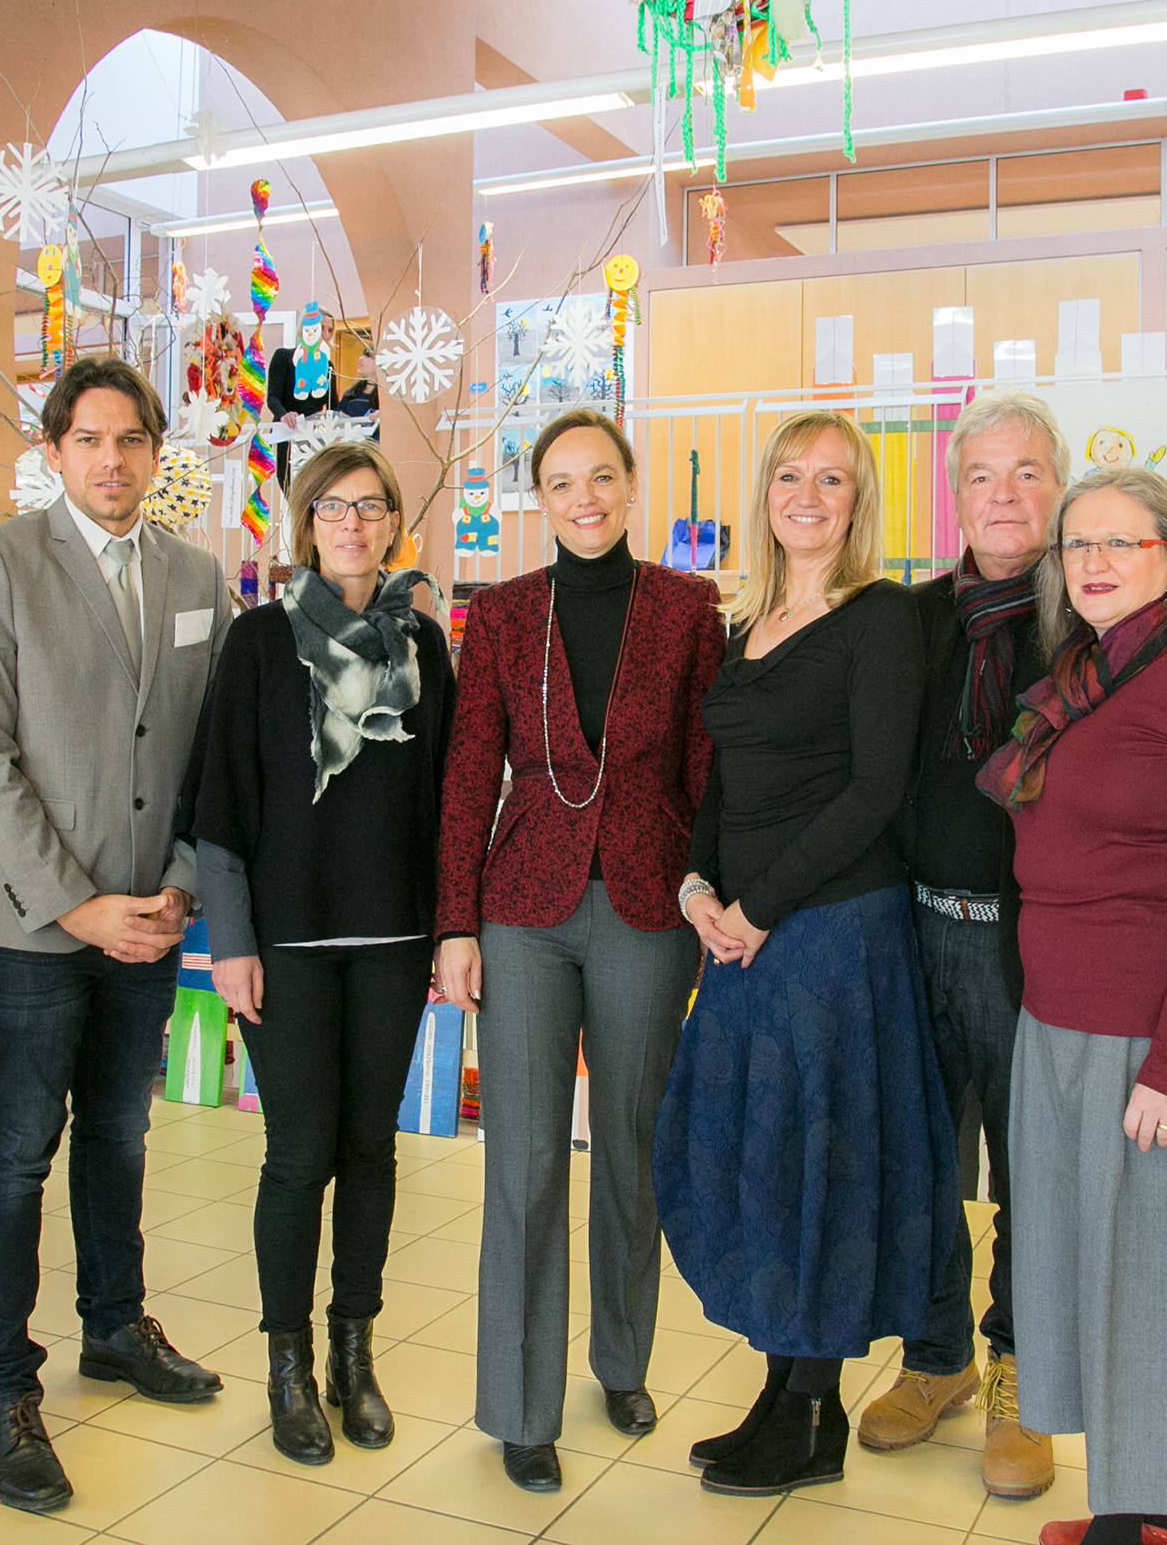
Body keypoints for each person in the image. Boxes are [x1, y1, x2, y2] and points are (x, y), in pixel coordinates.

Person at [0, 355, 234, 1513]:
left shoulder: (197, 571)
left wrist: (174, 887)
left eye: (132, 441)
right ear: (55, 451)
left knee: (117, 1130)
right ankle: (7, 1387)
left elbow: (211, 752)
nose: (113, 460)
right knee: (16, 1149)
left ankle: (114, 1324)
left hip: (150, 918)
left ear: (157, 455)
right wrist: (74, 902)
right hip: (32, 925)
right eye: (90, 440)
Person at [655, 409, 966, 1499]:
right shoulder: (747, 620)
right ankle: (784, 1394)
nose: (806, 494)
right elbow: (723, 776)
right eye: (790, 474)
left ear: (857, 502)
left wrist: (762, 906)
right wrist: (698, 886)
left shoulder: (877, 618)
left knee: (821, 1166)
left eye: (830, 479)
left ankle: (808, 1406)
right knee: (763, 1158)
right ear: (766, 492)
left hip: (831, 931)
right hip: (747, 932)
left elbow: (873, 788)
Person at [986, 468, 1167, 1545]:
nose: (1094, 561)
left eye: (1121, 541)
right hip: (1060, 1017)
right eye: (1076, 545)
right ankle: (1125, 1502)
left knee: (1158, 1279)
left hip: (1153, 1029)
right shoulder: (1088, 672)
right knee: (1089, 1269)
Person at [435, 409, 726, 1493]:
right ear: (536, 497)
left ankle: (621, 1359)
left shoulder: (688, 609)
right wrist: (454, 923)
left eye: (601, 476)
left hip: (650, 903)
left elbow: (707, 769)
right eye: (560, 482)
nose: (584, 498)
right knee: (518, 1158)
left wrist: (708, 890)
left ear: (630, 482)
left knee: (632, 1146)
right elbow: (470, 770)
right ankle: (518, 1403)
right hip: (524, 905)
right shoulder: (502, 612)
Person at [182, 441, 452, 1466]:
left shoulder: (421, 641)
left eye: (370, 507)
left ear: (391, 523)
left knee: (370, 1150)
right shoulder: (259, 642)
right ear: (307, 522)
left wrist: (448, 928)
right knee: (298, 1153)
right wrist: (232, 944)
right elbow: (219, 804)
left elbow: (447, 798)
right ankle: (287, 1361)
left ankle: (353, 1352)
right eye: (332, 507)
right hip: (286, 946)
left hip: (391, 939)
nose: (351, 524)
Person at [856, 390, 1063, 1501]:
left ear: (1057, 485)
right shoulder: (912, 617)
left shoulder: (1085, 613)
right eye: (981, 474)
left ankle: (1018, 1382)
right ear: (953, 492)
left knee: (1028, 1169)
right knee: (922, 1159)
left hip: (1036, 949)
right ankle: (933, 1357)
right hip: (917, 928)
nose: (1001, 494)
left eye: (1025, 471)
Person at [336, 349, 380, 419]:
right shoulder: (351, 394)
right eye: (363, 355)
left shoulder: (387, 397)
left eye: (367, 355)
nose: (360, 358)